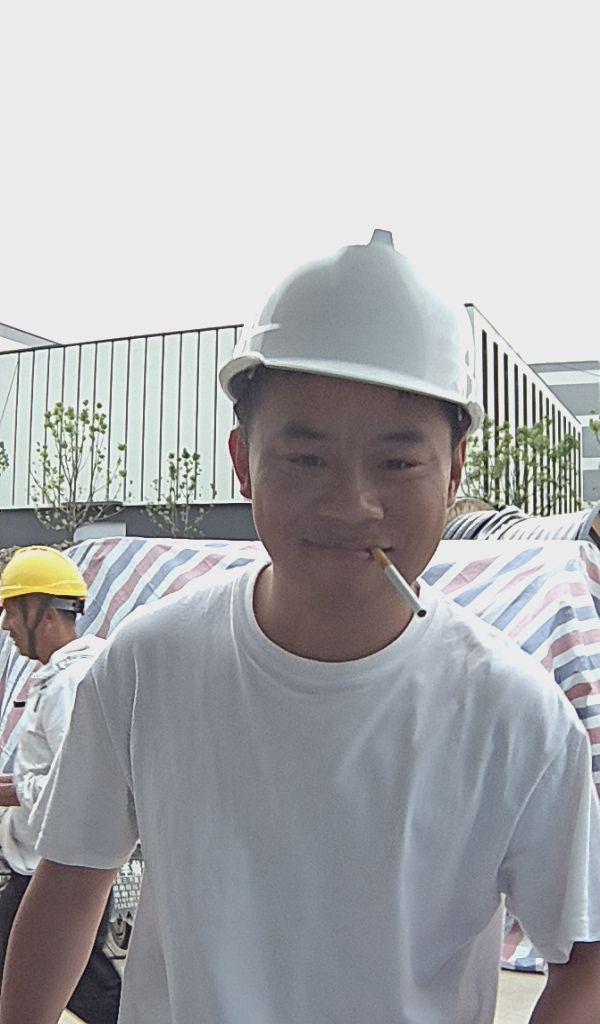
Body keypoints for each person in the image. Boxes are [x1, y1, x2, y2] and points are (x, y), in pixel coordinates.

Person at [1, 230, 600, 1024]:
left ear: (456, 469)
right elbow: (71, 884)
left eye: (397, 462)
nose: (353, 504)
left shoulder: (515, 716)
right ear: (242, 461)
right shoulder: (150, 664)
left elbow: (584, 957)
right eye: (307, 458)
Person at [0, 546, 121, 1024]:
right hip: (44, 866)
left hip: (57, 872)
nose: (6, 625)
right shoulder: (61, 679)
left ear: (43, 613)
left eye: (12, 611)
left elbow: (80, 782)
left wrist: (12, 793)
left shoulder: (71, 684)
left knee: (85, 988)